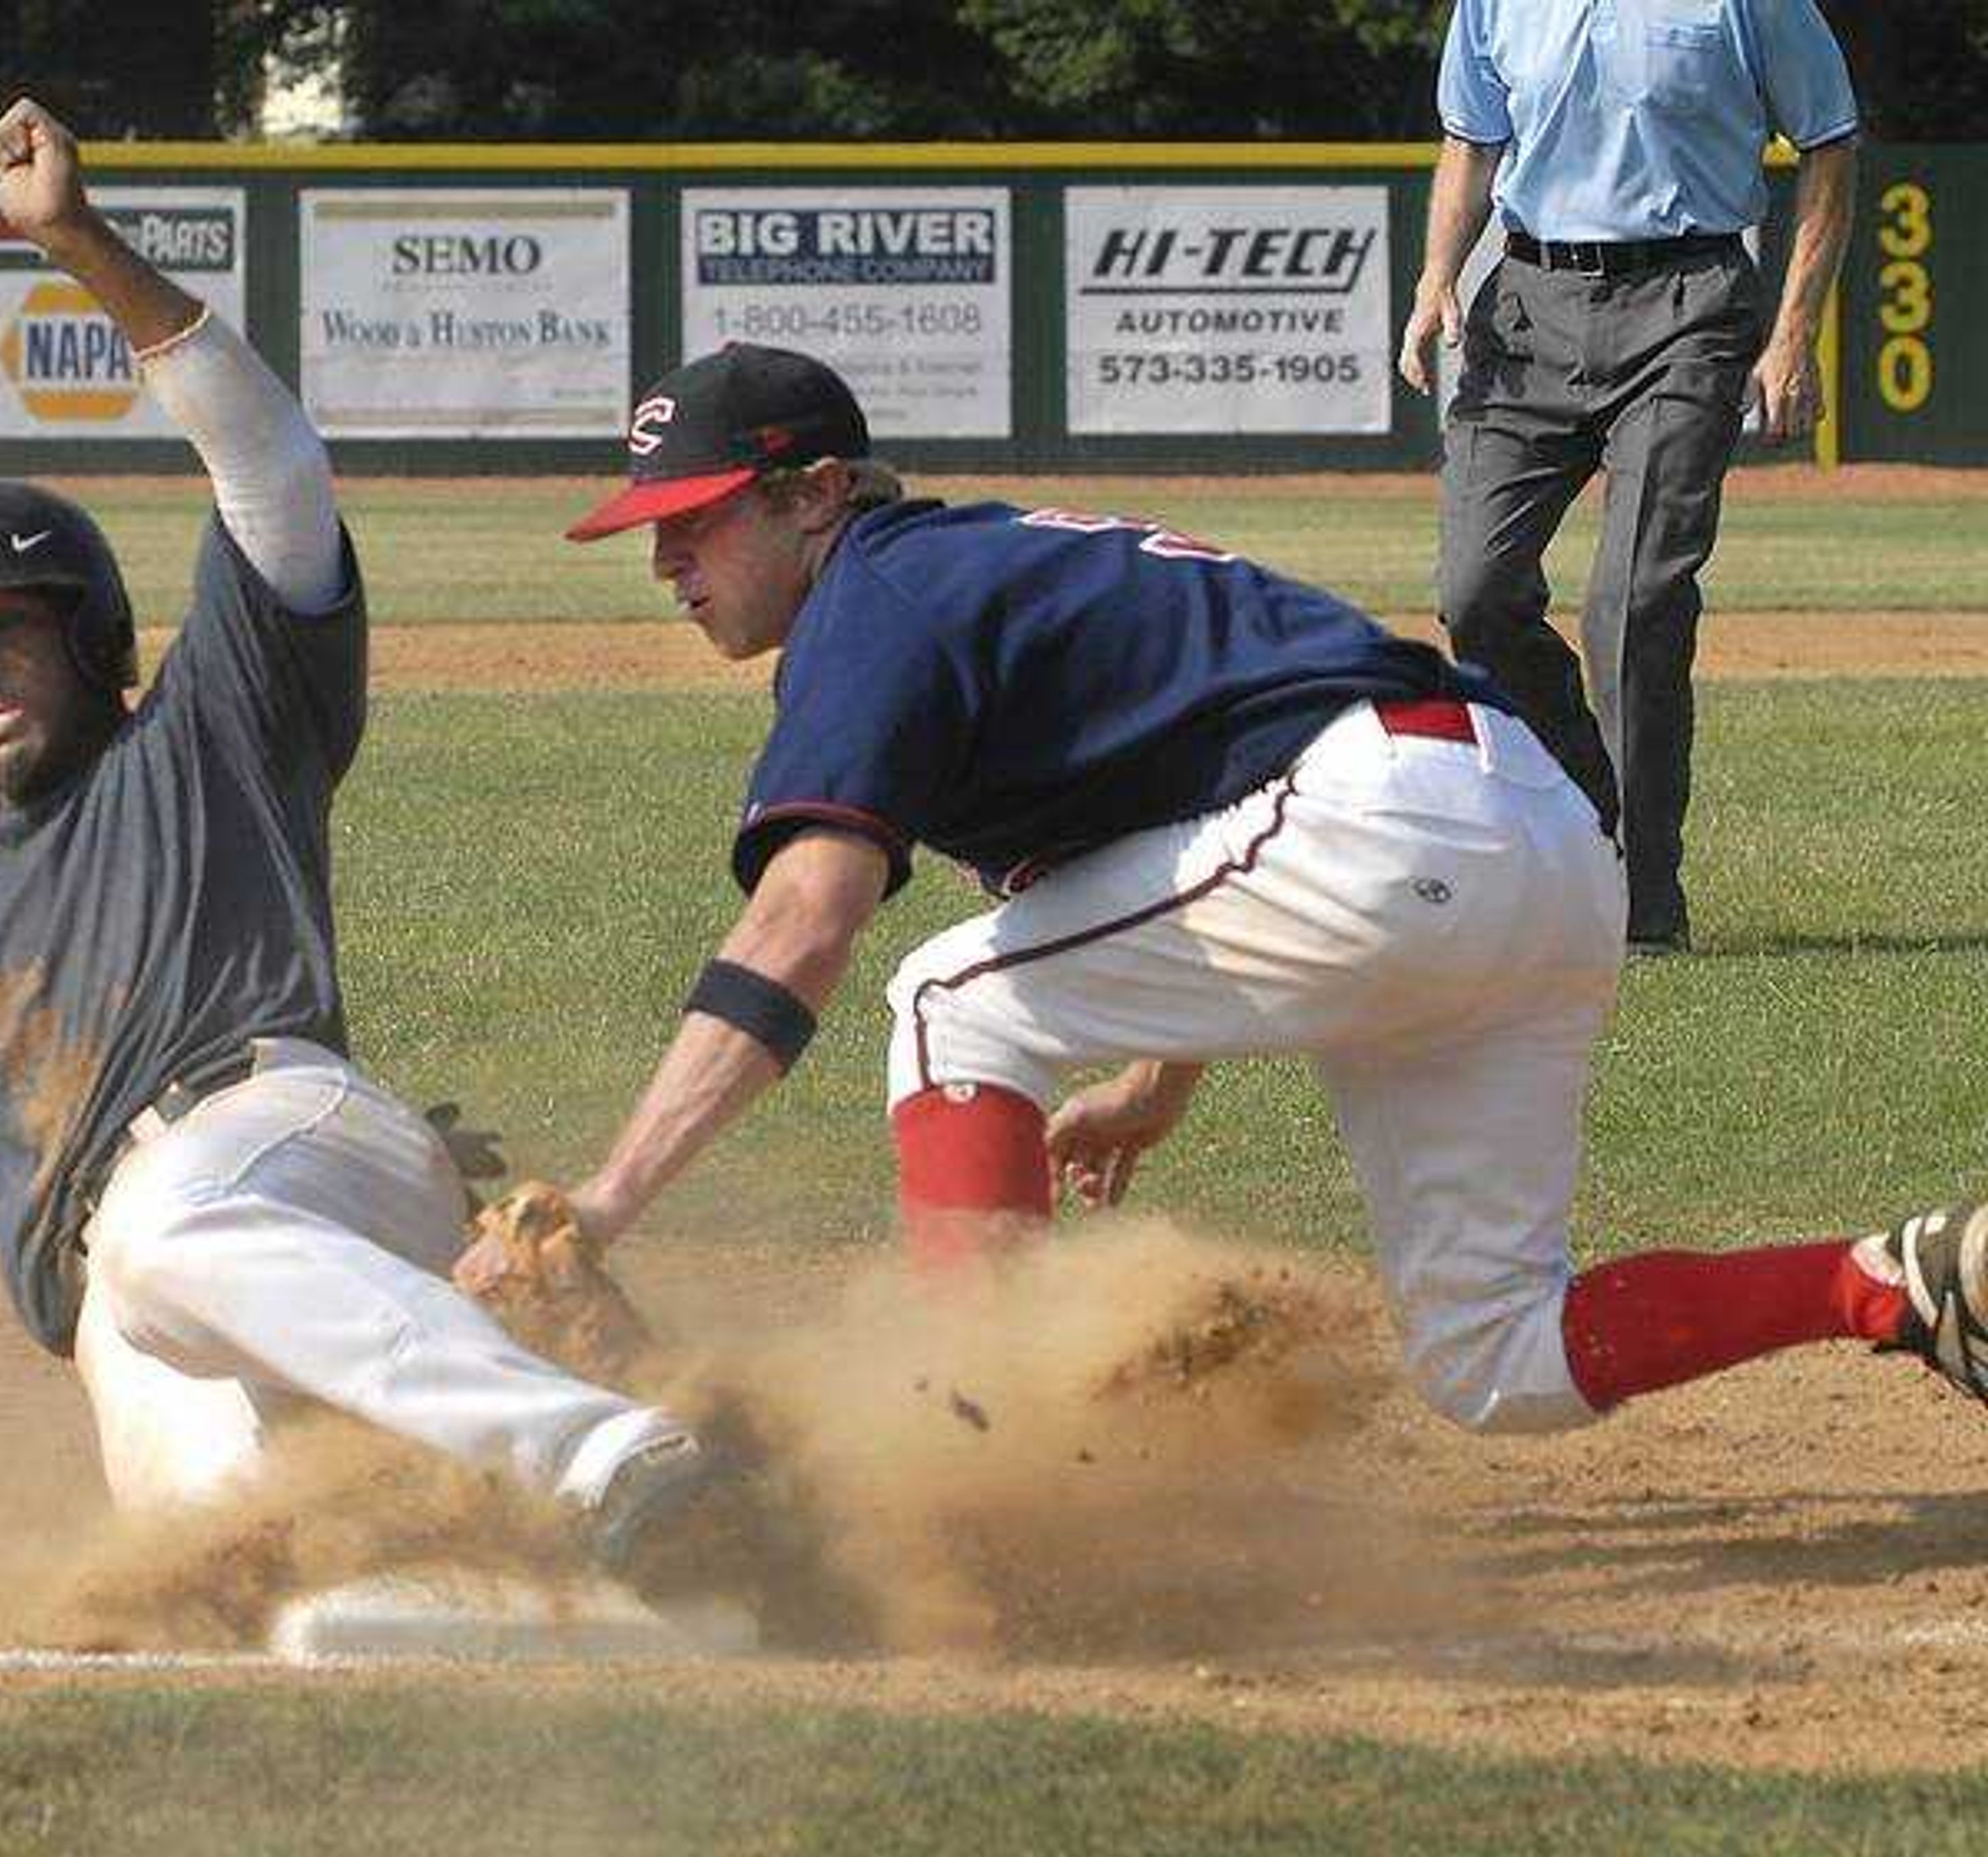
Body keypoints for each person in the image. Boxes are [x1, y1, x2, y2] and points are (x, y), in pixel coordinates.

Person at [507, 339, 1988, 1445]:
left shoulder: (878, 602)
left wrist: (612, 1195)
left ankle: (982, 1448)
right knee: (1500, 1363)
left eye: (697, 519)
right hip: (1532, 845)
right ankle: (1884, 1281)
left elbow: (804, 919)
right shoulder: (972, 570)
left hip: (1387, 823)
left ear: (817, 492)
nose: (665, 561)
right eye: (656, 525)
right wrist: (1160, 1075)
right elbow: (1199, 810)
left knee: (946, 1000)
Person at [0, 97, 715, 1581]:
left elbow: (270, 459)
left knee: (165, 1231)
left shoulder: (217, 727)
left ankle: (610, 1445)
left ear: (89, 640)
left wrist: (76, 243)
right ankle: (610, 1564)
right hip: (126, 1293)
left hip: (290, 1138)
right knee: (235, 1560)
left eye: (5, 628)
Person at [1397, 0, 1859, 955]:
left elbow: (1830, 144)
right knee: (1474, 593)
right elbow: (1469, 141)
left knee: (1638, 598)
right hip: (1526, 303)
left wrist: (1793, 333)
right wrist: (1436, 276)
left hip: (1689, 304)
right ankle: (1587, 802)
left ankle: (1642, 900)